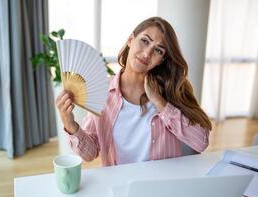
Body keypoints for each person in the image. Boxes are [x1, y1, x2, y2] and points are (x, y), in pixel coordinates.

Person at [56, 17, 212, 166]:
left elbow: (201, 142)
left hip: (162, 187)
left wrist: (159, 102)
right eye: (145, 41)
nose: (147, 54)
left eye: (158, 50)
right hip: (120, 186)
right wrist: (70, 124)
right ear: (131, 40)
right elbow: (90, 153)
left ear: (161, 60)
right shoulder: (102, 90)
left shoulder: (169, 90)